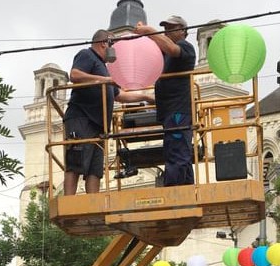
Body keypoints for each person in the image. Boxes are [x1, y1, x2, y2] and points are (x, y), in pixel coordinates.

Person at [64, 29, 152, 196]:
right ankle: (69, 200)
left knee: (95, 168)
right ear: (104, 43)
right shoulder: (87, 55)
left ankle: (93, 204)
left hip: (99, 125)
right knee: (76, 158)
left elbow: (120, 95)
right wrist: (104, 80)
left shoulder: (104, 69)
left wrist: (146, 96)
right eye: (114, 44)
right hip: (82, 117)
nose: (115, 49)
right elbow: (74, 75)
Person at [135, 15, 196, 186]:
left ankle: (174, 193)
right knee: (177, 151)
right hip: (172, 112)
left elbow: (170, 48)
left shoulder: (185, 47)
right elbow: (154, 50)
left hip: (178, 111)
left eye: (171, 28)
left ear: (183, 31)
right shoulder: (165, 53)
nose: (167, 31)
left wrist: (149, 31)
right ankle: (187, 191)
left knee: (177, 153)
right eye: (166, 28)